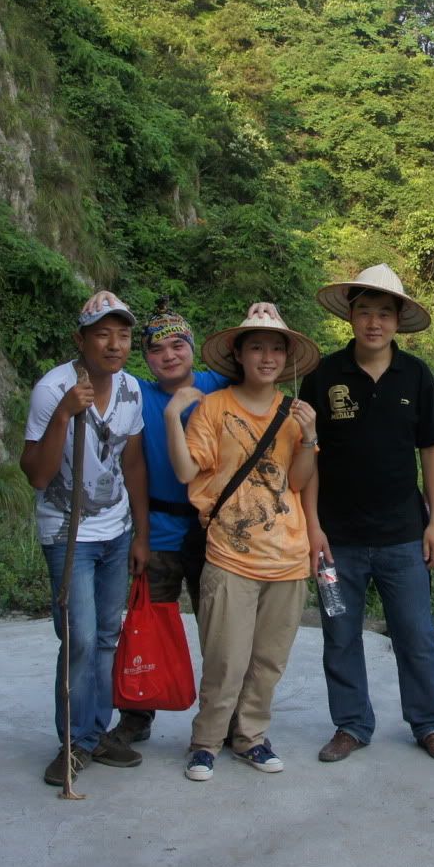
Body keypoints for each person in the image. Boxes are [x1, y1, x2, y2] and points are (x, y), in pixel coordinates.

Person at [298, 264, 434, 763]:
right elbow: (308, 456)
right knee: (339, 635)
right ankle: (351, 724)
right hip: (336, 541)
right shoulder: (323, 375)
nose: (374, 323)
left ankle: (429, 723)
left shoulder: (417, 375)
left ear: (397, 321)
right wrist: (312, 527)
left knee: (416, 635)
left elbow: (432, 450)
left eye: (384, 314)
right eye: (365, 312)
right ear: (350, 316)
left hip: (403, 536)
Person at [103, 297, 280, 749]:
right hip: (159, 529)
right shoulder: (137, 394)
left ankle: (233, 720)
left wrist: (262, 314)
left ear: (193, 347)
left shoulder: (218, 383)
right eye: (157, 349)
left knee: (223, 634)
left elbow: (265, 362)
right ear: (146, 357)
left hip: (217, 531)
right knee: (145, 628)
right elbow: (97, 366)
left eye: (178, 345)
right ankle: (136, 714)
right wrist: (140, 536)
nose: (169, 356)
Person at [164, 310, 321, 781]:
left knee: (268, 661)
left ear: (287, 356)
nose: (267, 357)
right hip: (229, 555)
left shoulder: (295, 413)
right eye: (256, 347)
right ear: (238, 353)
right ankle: (206, 742)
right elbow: (186, 471)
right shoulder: (215, 407)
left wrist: (310, 437)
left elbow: (298, 481)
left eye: (276, 348)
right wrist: (173, 414)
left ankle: (250, 737)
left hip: (288, 556)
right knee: (225, 660)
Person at [19, 293, 151, 787]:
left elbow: (132, 464)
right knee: (79, 639)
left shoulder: (131, 390)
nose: (115, 345)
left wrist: (141, 534)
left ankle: (95, 734)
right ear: (81, 339)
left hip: (116, 531)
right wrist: (63, 416)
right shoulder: (53, 389)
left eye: (123, 335)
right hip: (68, 533)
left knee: (107, 637)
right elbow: (36, 474)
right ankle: (73, 742)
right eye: (103, 334)